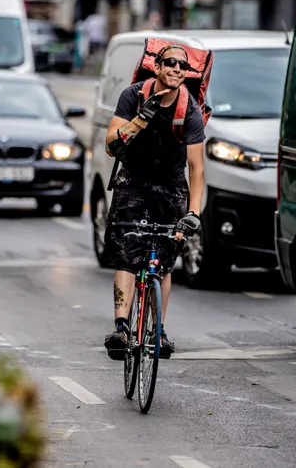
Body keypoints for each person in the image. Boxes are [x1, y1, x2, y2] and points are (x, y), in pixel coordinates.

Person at [102, 44, 206, 358]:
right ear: (157, 67)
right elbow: (110, 146)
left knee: (165, 260)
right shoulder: (133, 96)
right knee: (127, 253)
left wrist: (194, 212)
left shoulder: (189, 109)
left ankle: (158, 330)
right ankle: (122, 327)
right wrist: (139, 120)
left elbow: (197, 167)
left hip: (171, 185)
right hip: (133, 180)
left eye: (182, 66)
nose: (176, 69)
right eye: (170, 63)